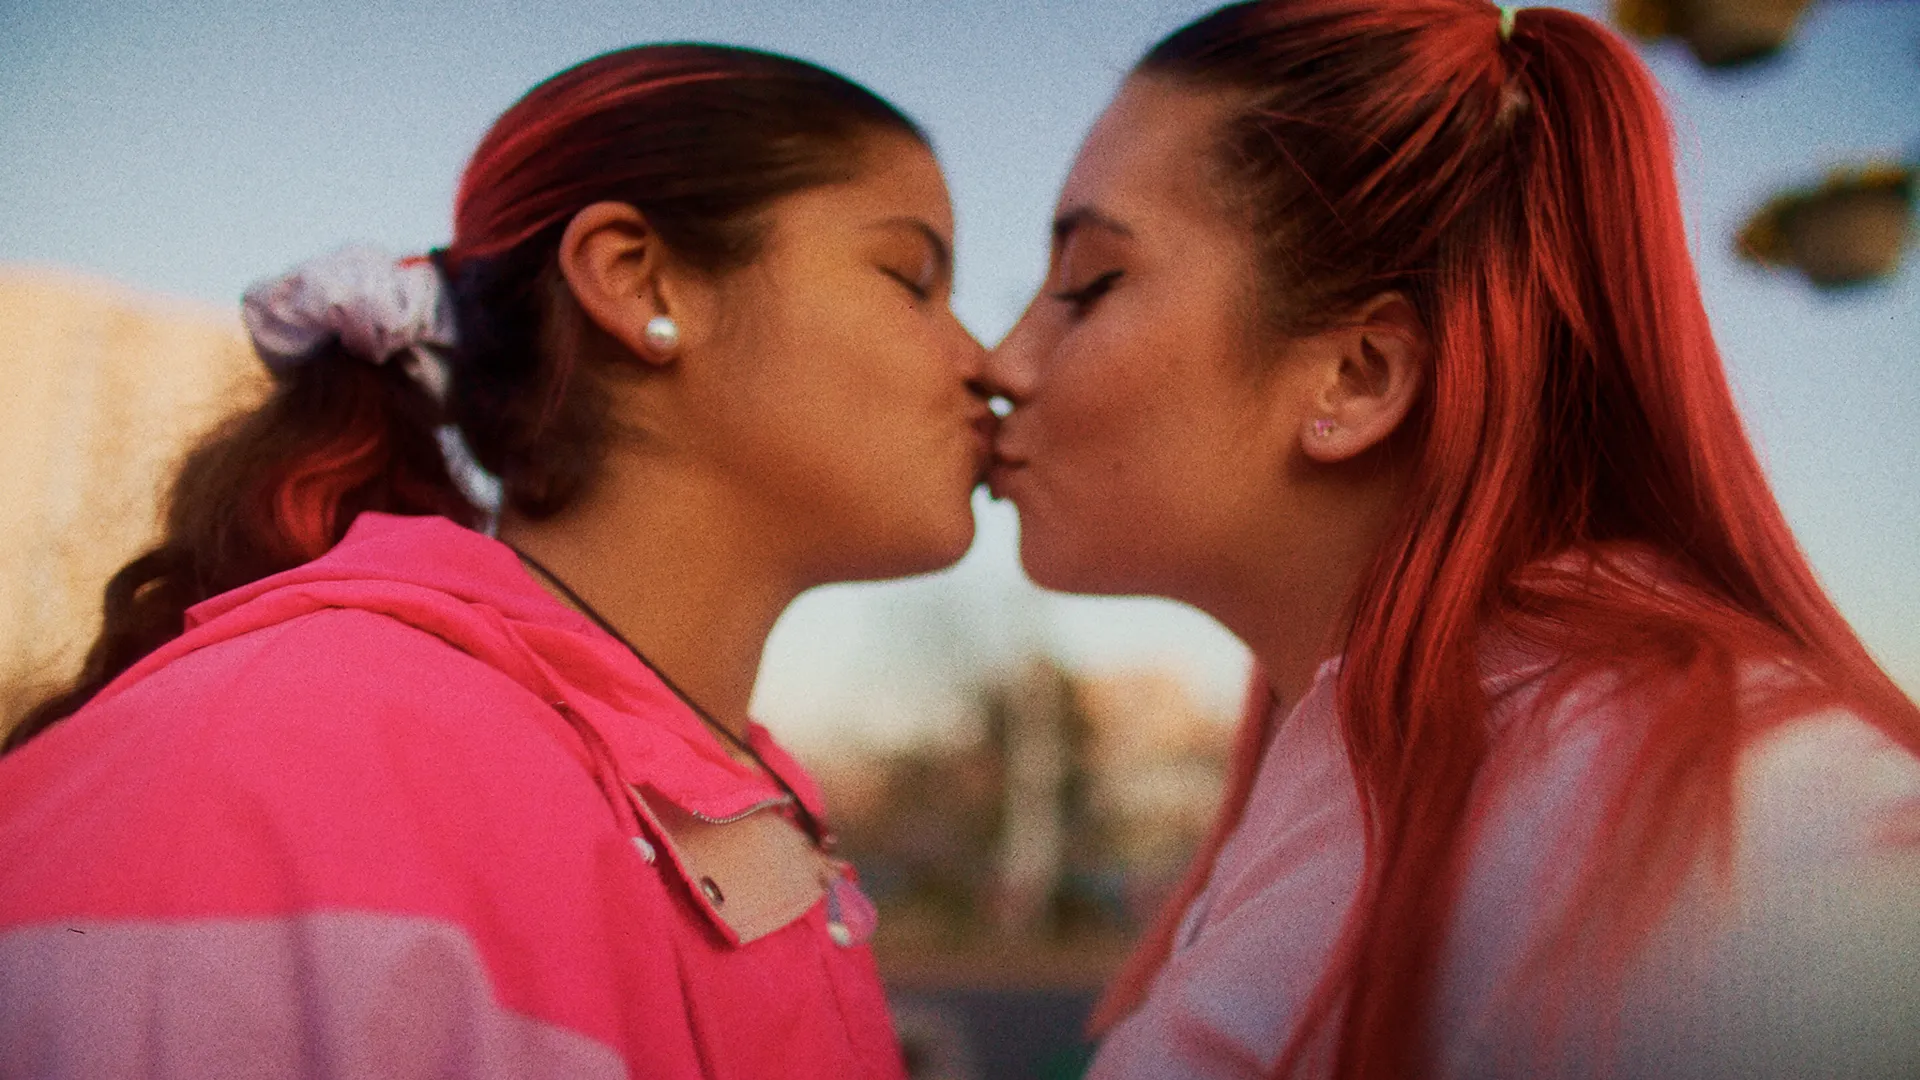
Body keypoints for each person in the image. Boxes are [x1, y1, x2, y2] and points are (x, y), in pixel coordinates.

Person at [0, 43, 991, 1079]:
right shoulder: (288, 759)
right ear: (635, 278)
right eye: (912, 279)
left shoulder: (724, 787)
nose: (989, 364)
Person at [982, 2, 1920, 1077]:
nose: (1002, 362)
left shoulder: (1699, 835)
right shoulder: (1465, 749)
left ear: (1357, 376)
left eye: (1088, 285)